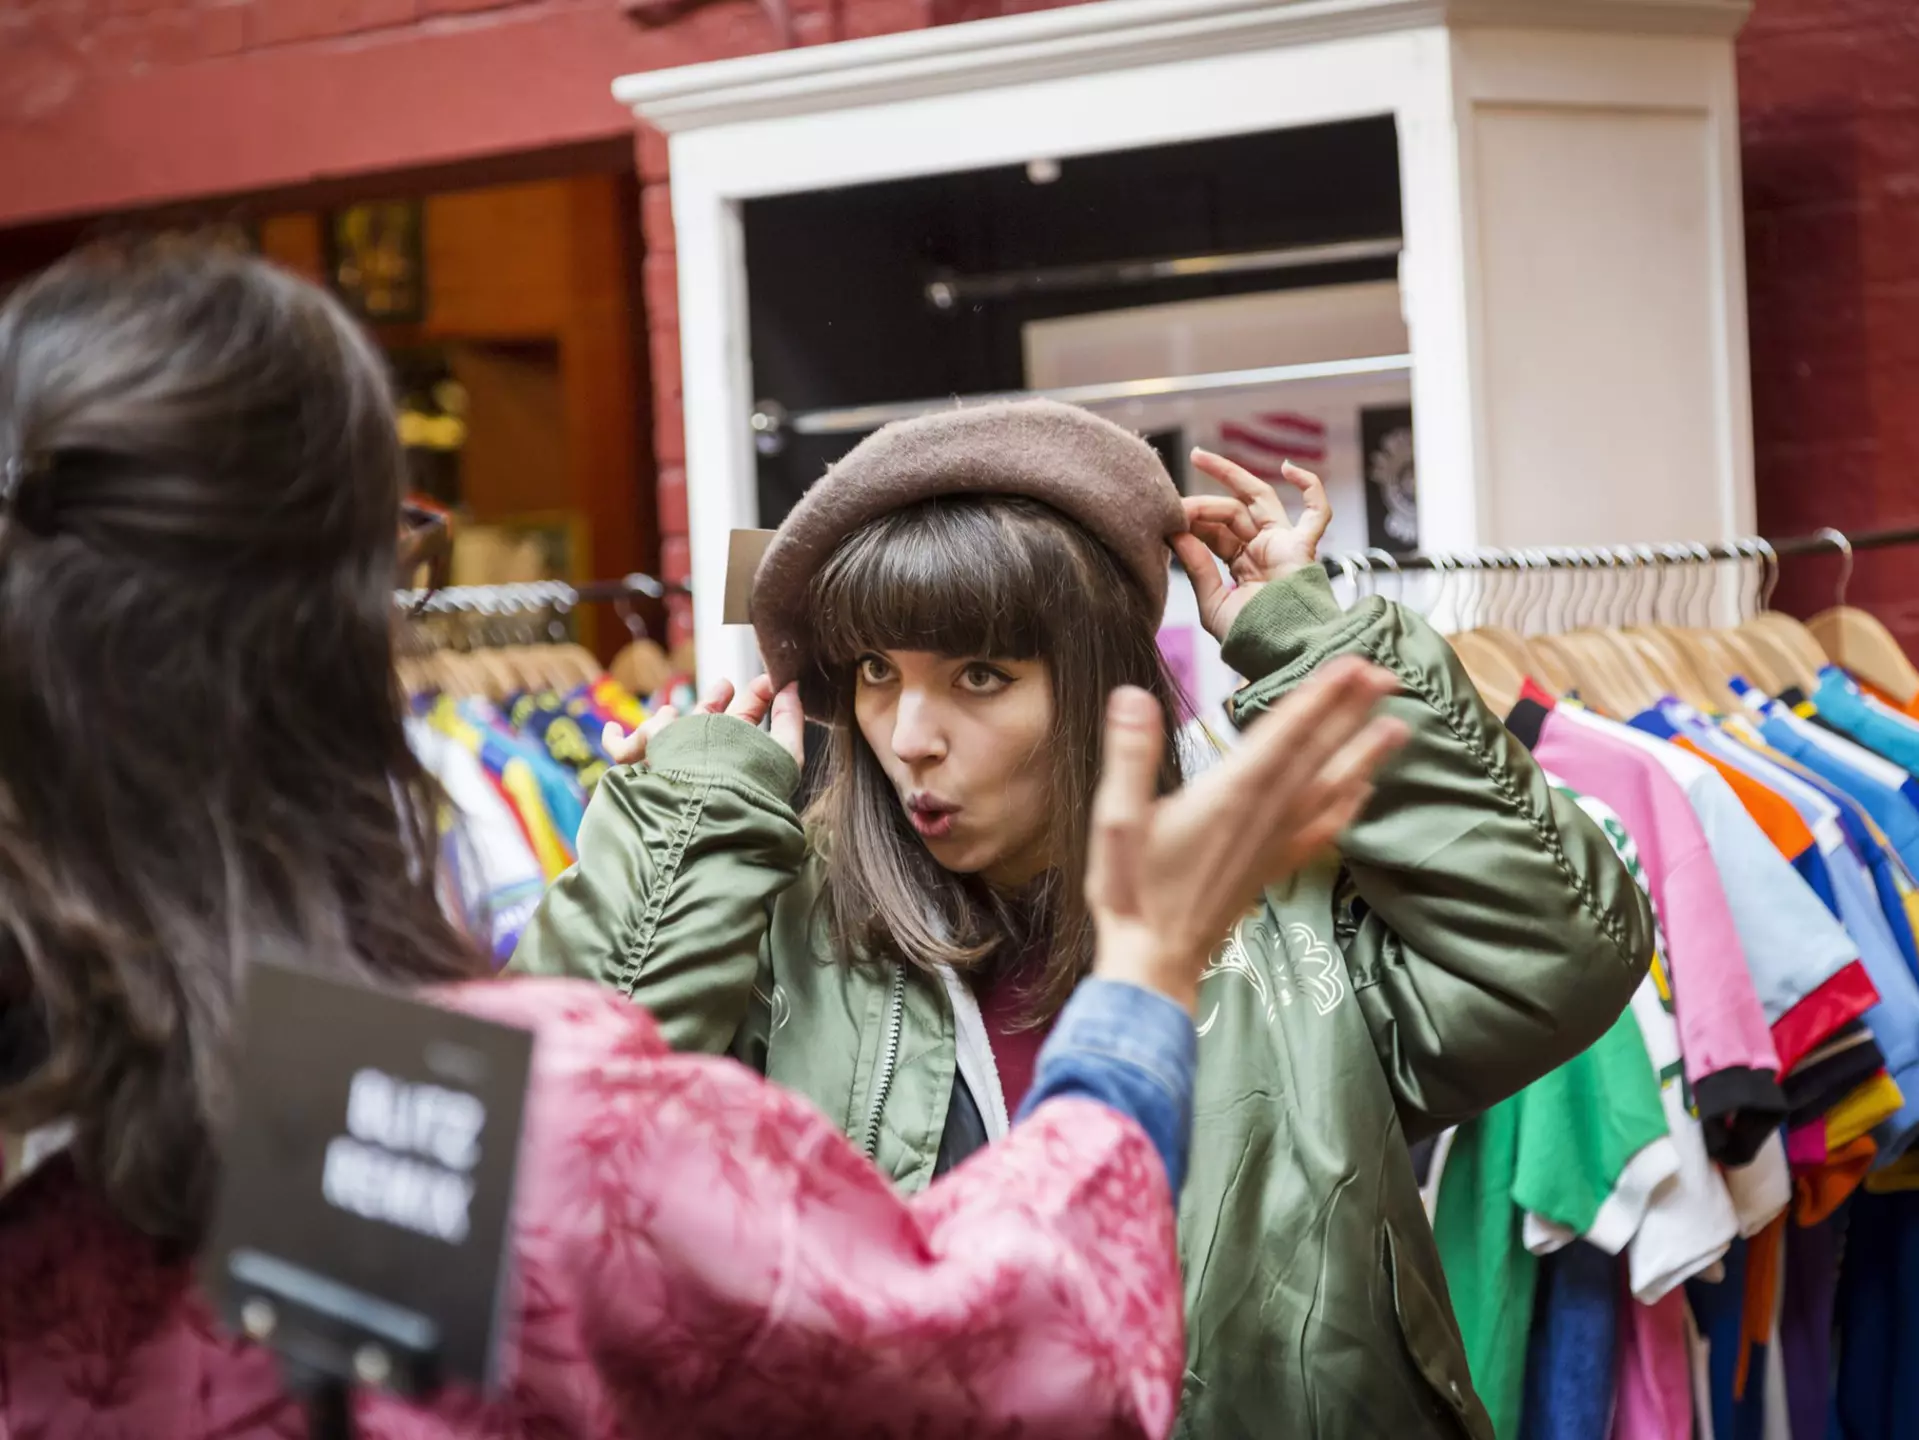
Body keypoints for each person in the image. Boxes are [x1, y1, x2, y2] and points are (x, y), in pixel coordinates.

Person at [0, 238, 1408, 1439]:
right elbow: (1024, 1356)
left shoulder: (148, 1132)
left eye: (977, 671)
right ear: (342, 637)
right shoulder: (401, 1129)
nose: (910, 731)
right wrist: (1138, 991)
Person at [514, 399, 1660, 1438]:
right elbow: (550, 1171)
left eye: (978, 676)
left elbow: (1559, 948)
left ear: (1101, 684)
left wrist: (1298, 634)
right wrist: (687, 821)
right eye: (873, 671)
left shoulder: (1286, 915)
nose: (908, 734)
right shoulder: (776, 934)